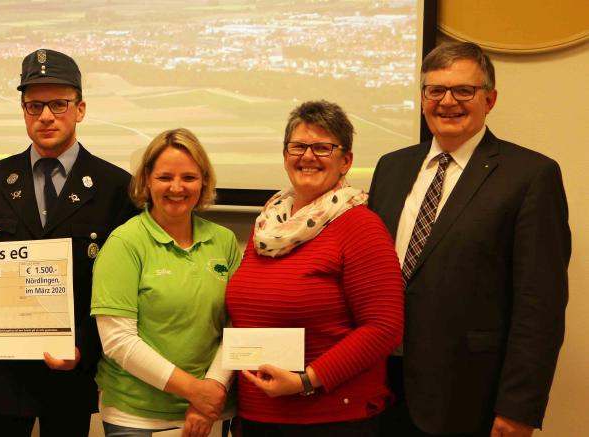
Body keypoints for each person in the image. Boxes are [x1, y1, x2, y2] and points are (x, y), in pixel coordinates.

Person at [369, 42, 570, 437]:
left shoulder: (530, 176)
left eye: (464, 90)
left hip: (467, 396)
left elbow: (539, 307)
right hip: (379, 388)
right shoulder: (391, 167)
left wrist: (519, 408)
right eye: (436, 90)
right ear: (423, 97)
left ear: (490, 100)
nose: (448, 102)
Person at [0, 48, 139, 437]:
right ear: (23, 110)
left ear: (81, 108)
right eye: (34, 105)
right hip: (1, 376)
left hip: (71, 371)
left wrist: (86, 353)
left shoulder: (115, 187)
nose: (45, 116)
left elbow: (121, 290)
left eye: (58, 104)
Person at [226, 100, 403, 437]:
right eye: (298, 146)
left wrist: (307, 380)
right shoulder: (269, 224)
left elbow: (384, 327)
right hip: (258, 416)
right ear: (285, 154)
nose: (307, 156)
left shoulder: (360, 225)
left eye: (323, 147)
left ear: (346, 160)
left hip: (331, 419)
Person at [90, 128, 241, 437]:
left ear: (204, 181)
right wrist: (195, 392)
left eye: (188, 177)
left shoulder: (223, 241)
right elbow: (119, 342)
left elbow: (238, 324)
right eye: (164, 177)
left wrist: (210, 390)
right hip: (137, 419)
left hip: (209, 414)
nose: (177, 188)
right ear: (146, 180)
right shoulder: (125, 243)